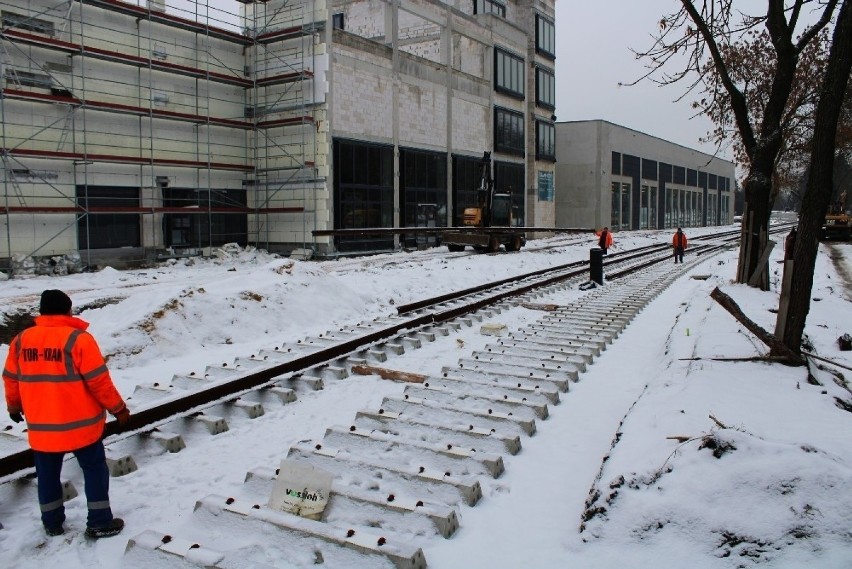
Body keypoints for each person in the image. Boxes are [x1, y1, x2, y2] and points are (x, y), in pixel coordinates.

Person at [3, 290, 130, 539]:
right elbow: (99, 382)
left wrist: (14, 406)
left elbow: (11, 378)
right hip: (82, 427)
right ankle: (99, 522)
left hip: (42, 428)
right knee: (94, 470)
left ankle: (52, 523)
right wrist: (118, 409)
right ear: (68, 310)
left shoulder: (21, 340)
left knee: (48, 476)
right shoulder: (78, 339)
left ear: (41, 312)